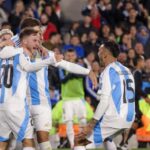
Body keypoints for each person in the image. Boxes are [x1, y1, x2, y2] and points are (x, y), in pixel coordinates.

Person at [0, 17, 97, 150]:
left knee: (42, 141)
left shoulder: (45, 53)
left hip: (40, 104)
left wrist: (88, 71)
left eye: (40, 33)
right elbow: (13, 41)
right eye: (36, 33)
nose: (40, 36)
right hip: (22, 104)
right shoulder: (15, 49)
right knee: (18, 141)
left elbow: (66, 65)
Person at [0, 28, 59, 150]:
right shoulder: (19, 53)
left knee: (2, 142)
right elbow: (28, 67)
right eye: (3, 39)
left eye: (9, 39)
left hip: (2, 106)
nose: (7, 41)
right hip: (15, 106)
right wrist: (48, 60)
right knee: (27, 141)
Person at [74, 41, 135, 150]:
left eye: (99, 52)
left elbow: (104, 101)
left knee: (79, 142)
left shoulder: (108, 71)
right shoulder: (127, 70)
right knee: (108, 138)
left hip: (115, 118)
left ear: (105, 55)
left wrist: (91, 124)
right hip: (129, 118)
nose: (98, 55)